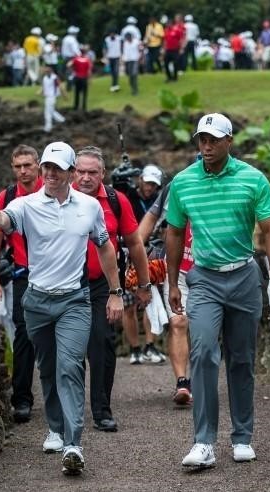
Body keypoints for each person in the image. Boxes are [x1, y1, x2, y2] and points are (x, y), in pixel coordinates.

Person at [0, 141, 124, 476]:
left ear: (70, 172)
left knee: (70, 367)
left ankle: (73, 444)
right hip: (37, 301)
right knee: (49, 368)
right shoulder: (26, 204)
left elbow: (104, 247)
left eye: (57, 168)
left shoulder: (89, 207)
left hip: (74, 301)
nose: (50, 174)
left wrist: (115, 292)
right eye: (47, 168)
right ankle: (55, 427)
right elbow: (4, 220)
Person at [165, 113, 270, 467]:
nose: (207, 146)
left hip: (244, 276)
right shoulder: (183, 182)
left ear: (229, 141)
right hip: (204, 279)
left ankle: (242, 436)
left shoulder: (252, 178)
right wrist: (173, 282)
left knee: (242, 358)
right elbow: (174, 232)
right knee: (202, 352)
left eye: (214, 140)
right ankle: (203, 442)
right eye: (202, 139)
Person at [73, 146, 151, 432]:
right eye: (80, 171)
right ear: (73, 172)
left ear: (103, 173)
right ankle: (68, 410)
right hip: (65, 282)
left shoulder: (117, 201)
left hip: (102, 284)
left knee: (102, 343)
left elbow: (135, 244)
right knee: (67, 349)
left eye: (92, 172)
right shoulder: (59, 197)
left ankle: (102, 409)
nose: (85, 178)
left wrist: (143, 284)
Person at [0, 144, 43, 423]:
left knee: (62, 336)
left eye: (28, 165)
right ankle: (21, 399)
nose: (23, 171)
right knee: (23, 334)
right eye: (18, 166)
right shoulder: (7, 196)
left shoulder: (53, 189)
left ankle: (67, 396)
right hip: (24, 275)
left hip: (57, 273)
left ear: (38, 165)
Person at [138, 180, 194, 405]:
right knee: (178, 322)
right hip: (176, 268)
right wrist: (136, 254)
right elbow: (151, 218)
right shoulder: (177, 185)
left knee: (203, 328)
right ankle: (182, 382)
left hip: (210, 269)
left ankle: (201, 378)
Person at [123, 164, 166, 364]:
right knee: (128, 305)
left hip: (151, 253)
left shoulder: (159, 200)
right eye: (147, 183)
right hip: (127, 252)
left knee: (151, 298)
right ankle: (134, 349)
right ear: (140, 179)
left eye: (154, 185)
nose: (150, 188)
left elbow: (164, 226)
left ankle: (150, 345)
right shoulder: (128, 196)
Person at [39, 65, 65, 133]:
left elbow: (60, 86)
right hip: (47, 97)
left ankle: (48, 127)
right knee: (51, 111)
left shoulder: (54, 77)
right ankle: (61, 120)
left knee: (47, 112)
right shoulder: (45, 78)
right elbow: (44, 87)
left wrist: (64, 95)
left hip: (52, 97)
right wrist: (41, 92)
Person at [68, 46, 92, 110]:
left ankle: (76, 106)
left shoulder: (76, 59)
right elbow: (89, 71)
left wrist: (73, 70)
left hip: (77, 77)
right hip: (84, 78)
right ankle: (84, 107)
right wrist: (90, 80)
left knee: (77, 93)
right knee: (84, 93)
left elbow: (68, 65)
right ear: (85, 52)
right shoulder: (87, 60)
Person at [163, 15, 185, 82]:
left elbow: (180, 39)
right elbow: (165, 40)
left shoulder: (176, 30)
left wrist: (181, 48)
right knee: (165, 64)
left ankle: (175, 77)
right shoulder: (166, 30)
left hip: (175, 50)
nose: (168, 25)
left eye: (169, 24)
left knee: (175, 63)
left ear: (171, 24)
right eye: (167, 24)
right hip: (168, 50)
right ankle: (169, 77)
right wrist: (164, 49)